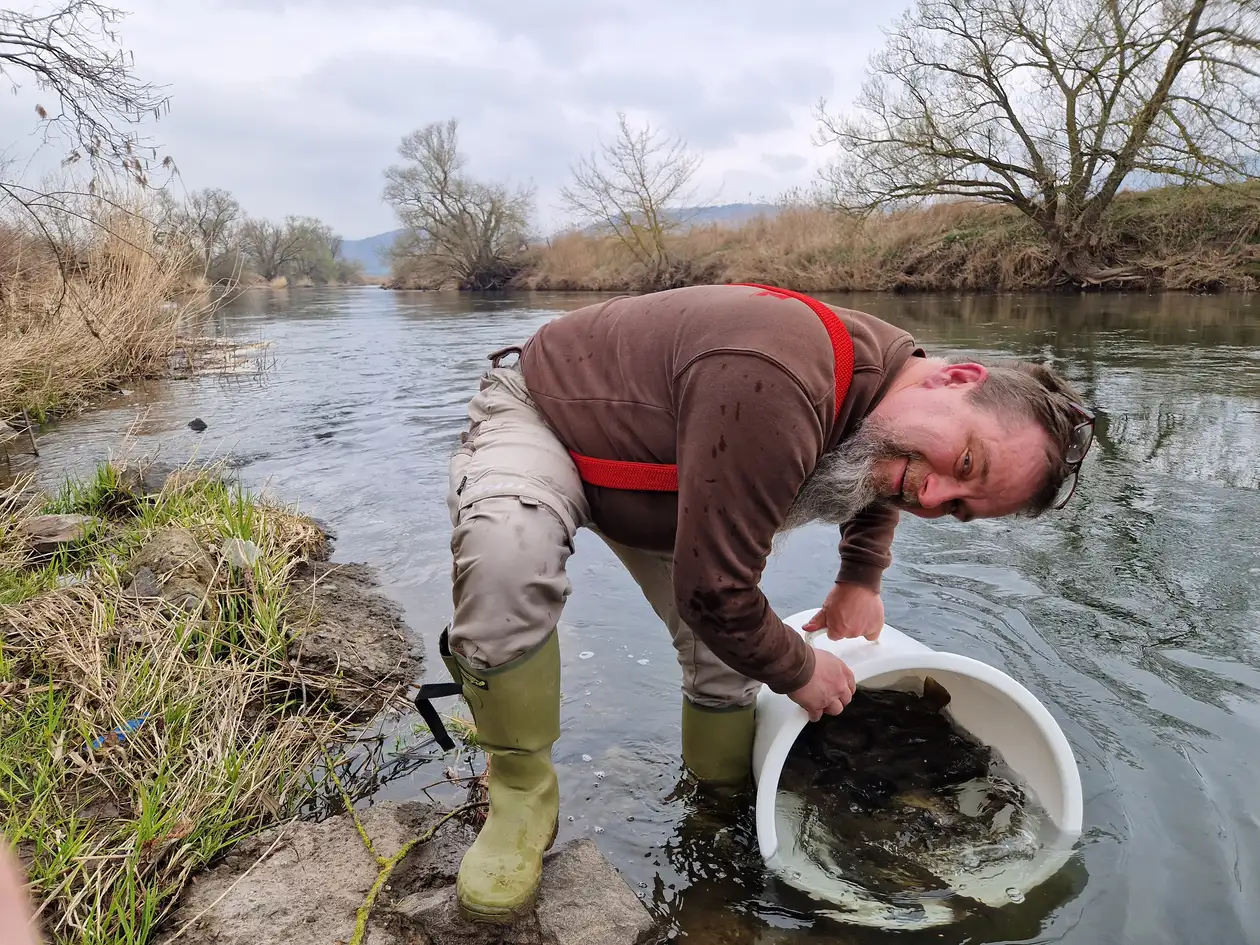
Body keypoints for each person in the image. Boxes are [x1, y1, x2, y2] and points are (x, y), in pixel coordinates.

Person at [436, 282, 1095, 924]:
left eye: (956, 509)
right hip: (549, 418)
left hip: (672, 485)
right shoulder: (774, 377)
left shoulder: (899, 394)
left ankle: (715, 803)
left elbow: (889, 464)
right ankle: (521, 790)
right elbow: (713, 592)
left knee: (730, 665)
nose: (932, 497)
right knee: (507, 550)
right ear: (956, 378)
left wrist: (861, 575)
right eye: (969, 462)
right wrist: (801, 669)